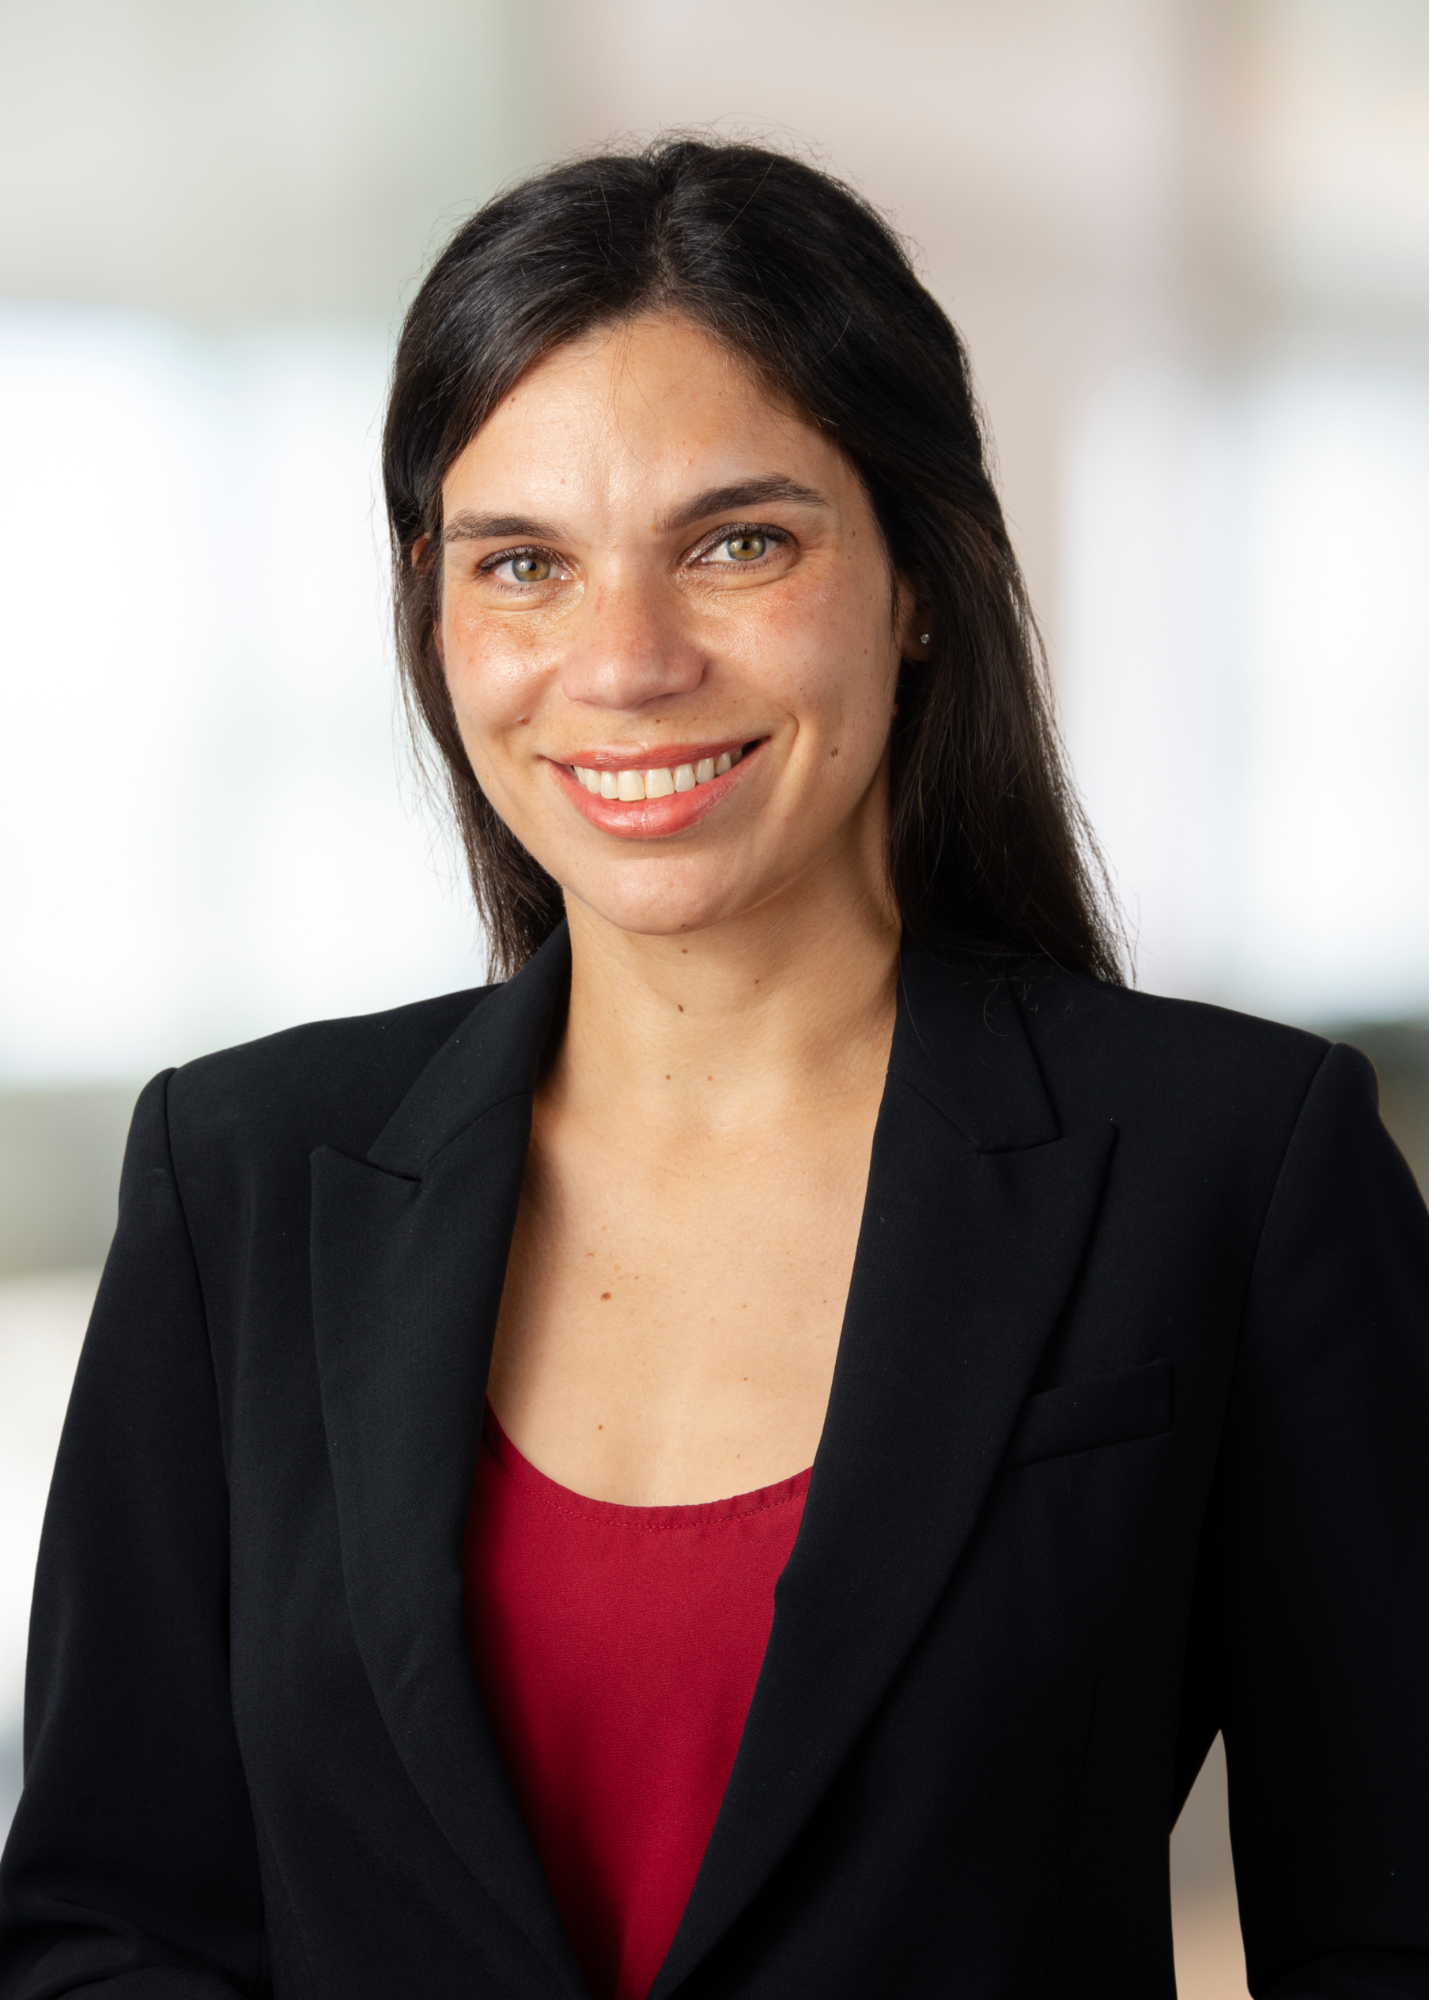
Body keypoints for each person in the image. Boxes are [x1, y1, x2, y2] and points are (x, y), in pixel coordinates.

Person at [2, 138, 1427, 2000]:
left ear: (918, 576)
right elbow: (110, 1928)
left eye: (737, 542)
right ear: (439, 618)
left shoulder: (1230, 1170)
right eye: (525, 565)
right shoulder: (243, 1174)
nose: (626, 661)